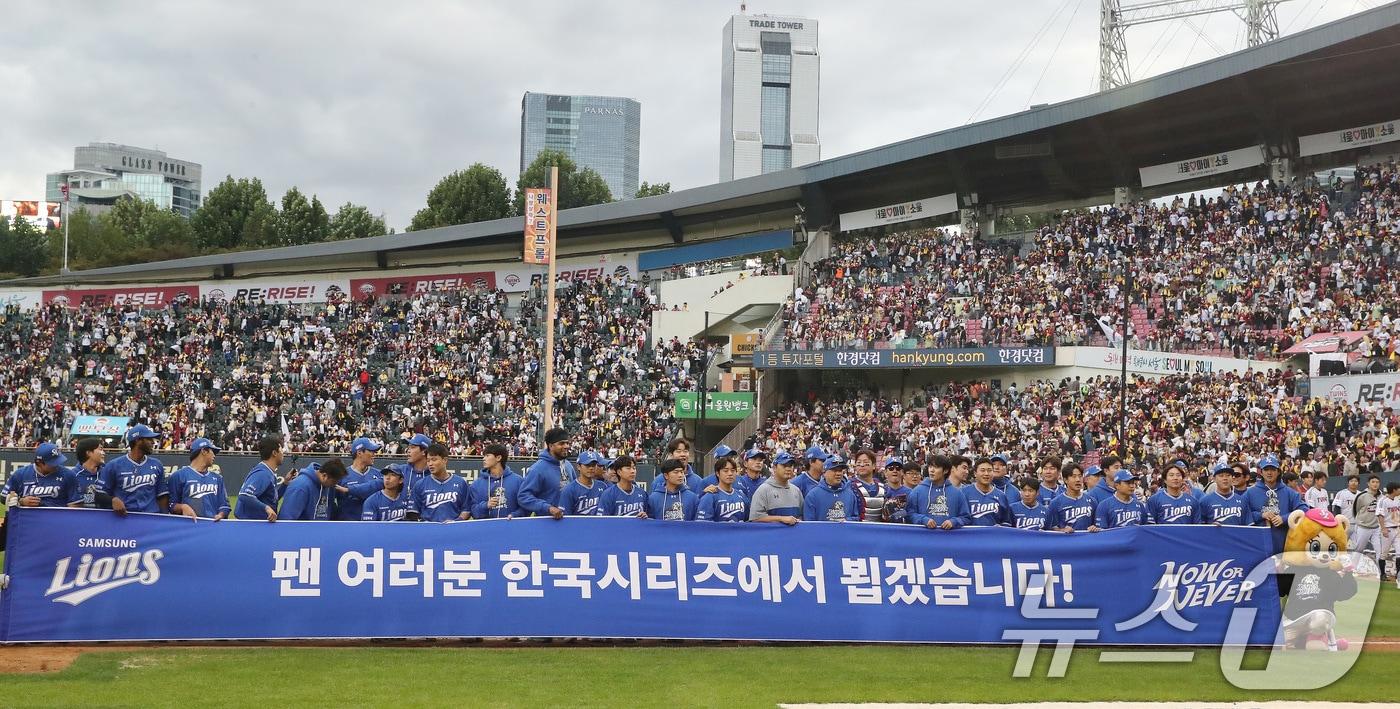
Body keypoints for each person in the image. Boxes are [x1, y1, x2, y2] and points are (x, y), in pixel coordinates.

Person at [1246, 454, 1309, 555]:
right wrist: (1261, 515)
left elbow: (1304, 510)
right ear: (1261, 472)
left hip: (1284, 544)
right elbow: (1243, 515)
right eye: (1266, 469)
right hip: (1257, 545)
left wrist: (1284, 518)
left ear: (1278, 472)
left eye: (1273, 469)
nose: (1269, 473)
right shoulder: (1250, 492)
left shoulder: (1289, 492)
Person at [100, 424, 168, 515]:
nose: (153, 442)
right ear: (137, 440)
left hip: (150, 517)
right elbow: (99, 494)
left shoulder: (157, 464)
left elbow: (162, 495)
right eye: (149, 439)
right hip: (124, 517)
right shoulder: (114, 465)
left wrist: (164, 516)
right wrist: (112, 500)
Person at [167, 438, 230, 520]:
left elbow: (225, 505)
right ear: (204, 451)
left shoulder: (218, 478)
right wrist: (182, 507)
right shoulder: (178, 476)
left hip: (212, 525)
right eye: (212, 452)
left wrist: (220, 515)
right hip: (189, 525)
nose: (214, 456)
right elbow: (170, 505)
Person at [2, 442, 78, 510]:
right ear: (39, 463)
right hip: (28, 518)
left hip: (57, 518)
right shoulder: (20, 474)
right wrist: (21, 501)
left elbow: (74, 505)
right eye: (52, 462)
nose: (56, 465)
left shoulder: (68, 475)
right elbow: (3, 497)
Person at [518, 427, 570, 520]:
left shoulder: (568, 465)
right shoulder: (538, 469)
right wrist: (548, 508)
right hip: (547, 522)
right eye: (561, 443)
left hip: (570, 521)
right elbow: (523, 496)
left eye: (567, 443)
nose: (566, 446)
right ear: (551, 446)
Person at [409, 443, 470, 522]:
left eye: (434, 460)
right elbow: (413, 512)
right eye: (428, 460)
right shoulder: (420, 485)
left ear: (445, 460)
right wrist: (424, 523)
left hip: (454, 528)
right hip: (428, 528)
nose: (430, 464)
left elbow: (466, 510)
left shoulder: (460, 482)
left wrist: (456, 521)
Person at [908, 454, 970, 530]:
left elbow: (966, 518)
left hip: (949, 536)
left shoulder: (958, 493)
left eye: (936, 467)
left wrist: (953, 522)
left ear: (946, 470)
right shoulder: (917, 491)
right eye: (930, 467)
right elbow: (910, 514)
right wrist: (923, 520)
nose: (931, 470)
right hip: (923, 536)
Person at [280, 459, 348, 521]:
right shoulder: (300, 486)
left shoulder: (329, 486)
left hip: (321, 529)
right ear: (324, 476)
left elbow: (331, 510)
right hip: (302, 530)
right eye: (334, 482)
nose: (335, 485)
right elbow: (286, 519)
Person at [235, 436, 284, 522]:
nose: (283, 453)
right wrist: (266, 508)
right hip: (252, 525)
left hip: (257, 525)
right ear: (274, 453)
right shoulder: (263, 473)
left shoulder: (268, 472)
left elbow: (272, 499)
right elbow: (245, 495)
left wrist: (285, 483)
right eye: (281, 450)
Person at [335, 437, 383, 521]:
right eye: (371, 451)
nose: (374, 454)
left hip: (372, 525)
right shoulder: (341, 475)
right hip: (347, 526)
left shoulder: (379, 474)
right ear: (359, 453)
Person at [469, 443, 521, 519]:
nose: (484, 459)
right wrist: (486, 505)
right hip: (486, 526)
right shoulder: (476, 485)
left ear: (498, 458)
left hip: (512, 525)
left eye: (487, 455)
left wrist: (515, 515)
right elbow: (473, 512)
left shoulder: (518, 481)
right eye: (484, 456)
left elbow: (525, 507)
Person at [749, 451, 802, 525]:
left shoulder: (796, 490)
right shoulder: (763, 490)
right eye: (784, 465)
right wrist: (781, 519)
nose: (788, 468)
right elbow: (755, 518)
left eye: (790, 465)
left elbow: (801, 516)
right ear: (774, 468)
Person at [803, 455, 861, 522]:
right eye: (834, 470)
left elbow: (856, 518)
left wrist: (846, 520)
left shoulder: (850, 494)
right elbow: (809, 523)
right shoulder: (813, 495)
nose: (838, 473)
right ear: (824, 473)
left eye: (840, 470)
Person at [1046, 463, 1099, 532]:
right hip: (1066, 538)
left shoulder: (1092, 501)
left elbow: (1098, 524)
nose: (1078, 480)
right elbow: (1049, 528)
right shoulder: (1055, 503)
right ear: (1065, 480)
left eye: (1080, 476)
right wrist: (1062, 530)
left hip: (1087, 538)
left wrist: (1094, 527)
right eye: (1074, 476)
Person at [1352, 476, 1385, 580]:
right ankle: (1352, 569)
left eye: (1377, 482)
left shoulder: (1381, 496)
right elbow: (1355, 510)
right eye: (1373, 482)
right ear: (1368, 483)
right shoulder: (1362, 495)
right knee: (1359, 549)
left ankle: (1381, 573)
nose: (1375, 484)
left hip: (1376, 528)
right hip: (1363, 527)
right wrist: (1361, 521)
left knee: (1379, 550)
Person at [697, 457, 749, 522]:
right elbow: (702, 524)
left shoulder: (742, 496)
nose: (730, 474)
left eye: (733, 470)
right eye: (725, 471)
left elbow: (748, 521)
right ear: (717, 473)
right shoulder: (710, 497)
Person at [557, 450, 606, 517]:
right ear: (578, 467)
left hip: (599, 523)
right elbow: (566, 518)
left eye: (593, 465)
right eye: (587, 465)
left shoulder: (602, 486)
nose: (591, 468)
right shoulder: (569, 490)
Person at [964, 458, 1010, 527]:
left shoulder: (1001, 495)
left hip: (993, 534)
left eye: (989, 470)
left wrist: (1001, 527)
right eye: (982, 470)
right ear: (975, 473)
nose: (986, 474)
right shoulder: (964, 493)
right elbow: (959, 517)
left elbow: (1006, 522)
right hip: (970, 533)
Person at [70, 437, 113, 509]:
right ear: (88, 453)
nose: (104, 453)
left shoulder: (108, 473)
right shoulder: (72, 475)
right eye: (100, 449)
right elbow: (72, 504)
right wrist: (97, 498)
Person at [388, 433, 433, 499]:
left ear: (424, 452)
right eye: (408, 447)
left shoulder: (434, 474)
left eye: (412, 447)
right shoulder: (400, 470)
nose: (408, 451)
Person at [847, 449, 888, 521]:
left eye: (866, 462)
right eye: (859, 462)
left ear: (874, 466)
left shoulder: (883, 487)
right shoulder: (849, 486)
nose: (862, 465)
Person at [1379, 483, 1400, 586]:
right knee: (1384, 554)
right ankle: (1382, 574)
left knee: (1399, 552)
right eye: (1399, 489)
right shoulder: (1383, 500)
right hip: (1387, 530)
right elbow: (1380, 515)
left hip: (1397, 528)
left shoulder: (1397, 500)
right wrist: (1383, 529)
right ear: (1394, 490)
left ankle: (1398, 576)